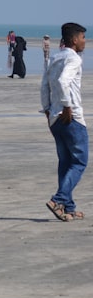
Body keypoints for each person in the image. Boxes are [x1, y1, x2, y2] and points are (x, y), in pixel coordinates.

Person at [41, 22, 87, 222]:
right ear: (74, 40)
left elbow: (44, 86)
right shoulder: (74, 59)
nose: (85, 42)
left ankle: (68, 207)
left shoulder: (55, 57)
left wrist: (48, 110)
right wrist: (67, 107)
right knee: (79, 161)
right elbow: (62, 82)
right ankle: (58, 199)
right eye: (83, 38)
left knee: (65, 162)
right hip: (72, 118)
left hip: (54, 119)